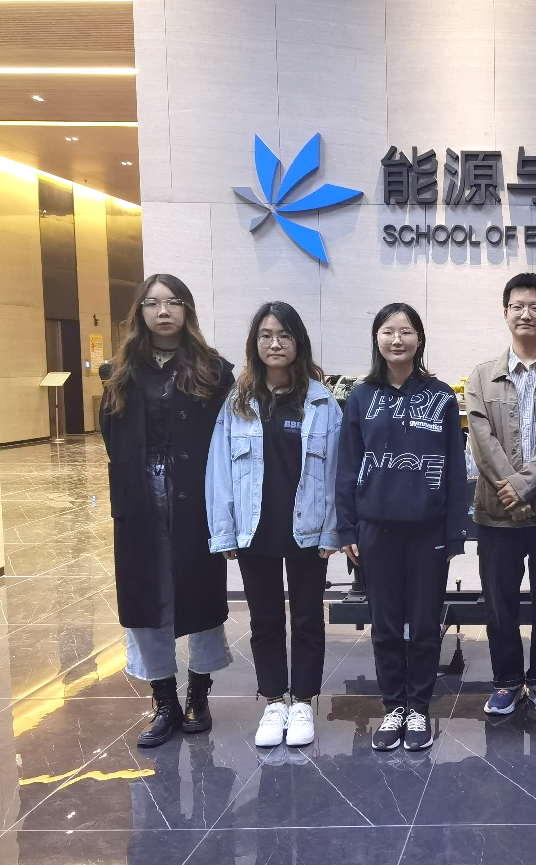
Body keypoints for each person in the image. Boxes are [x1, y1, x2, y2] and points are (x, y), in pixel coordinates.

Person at [99, 273, 234, 748]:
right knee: (146, 595)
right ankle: (163, 699)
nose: (163, 311)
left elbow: (226, 435)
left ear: (186, 310)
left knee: (199, 591)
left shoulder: (214, 370)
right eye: (153, 303)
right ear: (140, 312)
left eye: (173, 302)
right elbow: (111, 433)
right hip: (139, 495)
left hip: (195, 494)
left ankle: (198, 692)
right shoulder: (119, 370)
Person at [206, 302, 341, 748]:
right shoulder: (239, 402)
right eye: (266, 335)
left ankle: (302, 701)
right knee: (264, 620)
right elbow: (219, 470)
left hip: (307, 529)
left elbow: (338, 470)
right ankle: (273, 701)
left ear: (298, 342)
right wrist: (224, 530)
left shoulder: (320, 401)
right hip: (254, 529)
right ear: (255, 344)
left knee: (307, 618)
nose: (275, 343)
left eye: (284, 335)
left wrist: (332, 530)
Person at [336, 303, 468, 753]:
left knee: (426, 625)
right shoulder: (361, 396)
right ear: (377, 339)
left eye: (406, 331)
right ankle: (394, 706)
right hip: (376, 531)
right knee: (387, 626)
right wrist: (347, 529)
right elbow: (347, 466)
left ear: (419, 339)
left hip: (428, 532)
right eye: (388, 331)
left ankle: (419, 708)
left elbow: (454, 470)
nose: (397, 339)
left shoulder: (440, 396)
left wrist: (454, 533)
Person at [465, 273, 536, 716]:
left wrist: (524, 486)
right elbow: (480, 438)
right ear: (506, 312)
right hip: (497, 512)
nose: (525, 313)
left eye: (535, 307)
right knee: (499, 605)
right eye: (517, 306)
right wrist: (511, 488)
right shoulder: (481, 375)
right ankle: (507, 681)